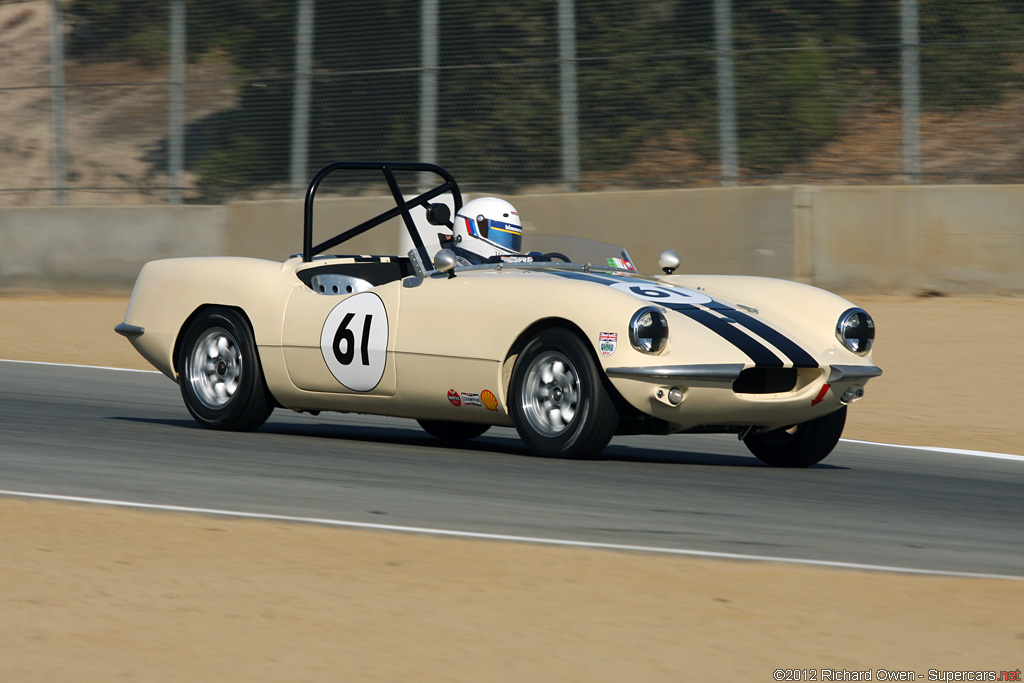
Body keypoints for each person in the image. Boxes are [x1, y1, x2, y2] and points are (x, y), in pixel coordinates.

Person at [444, 197, 530, 265]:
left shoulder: (519, 267)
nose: (506, 241)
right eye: (498, 234)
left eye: (512, 237)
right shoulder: (453, 267)